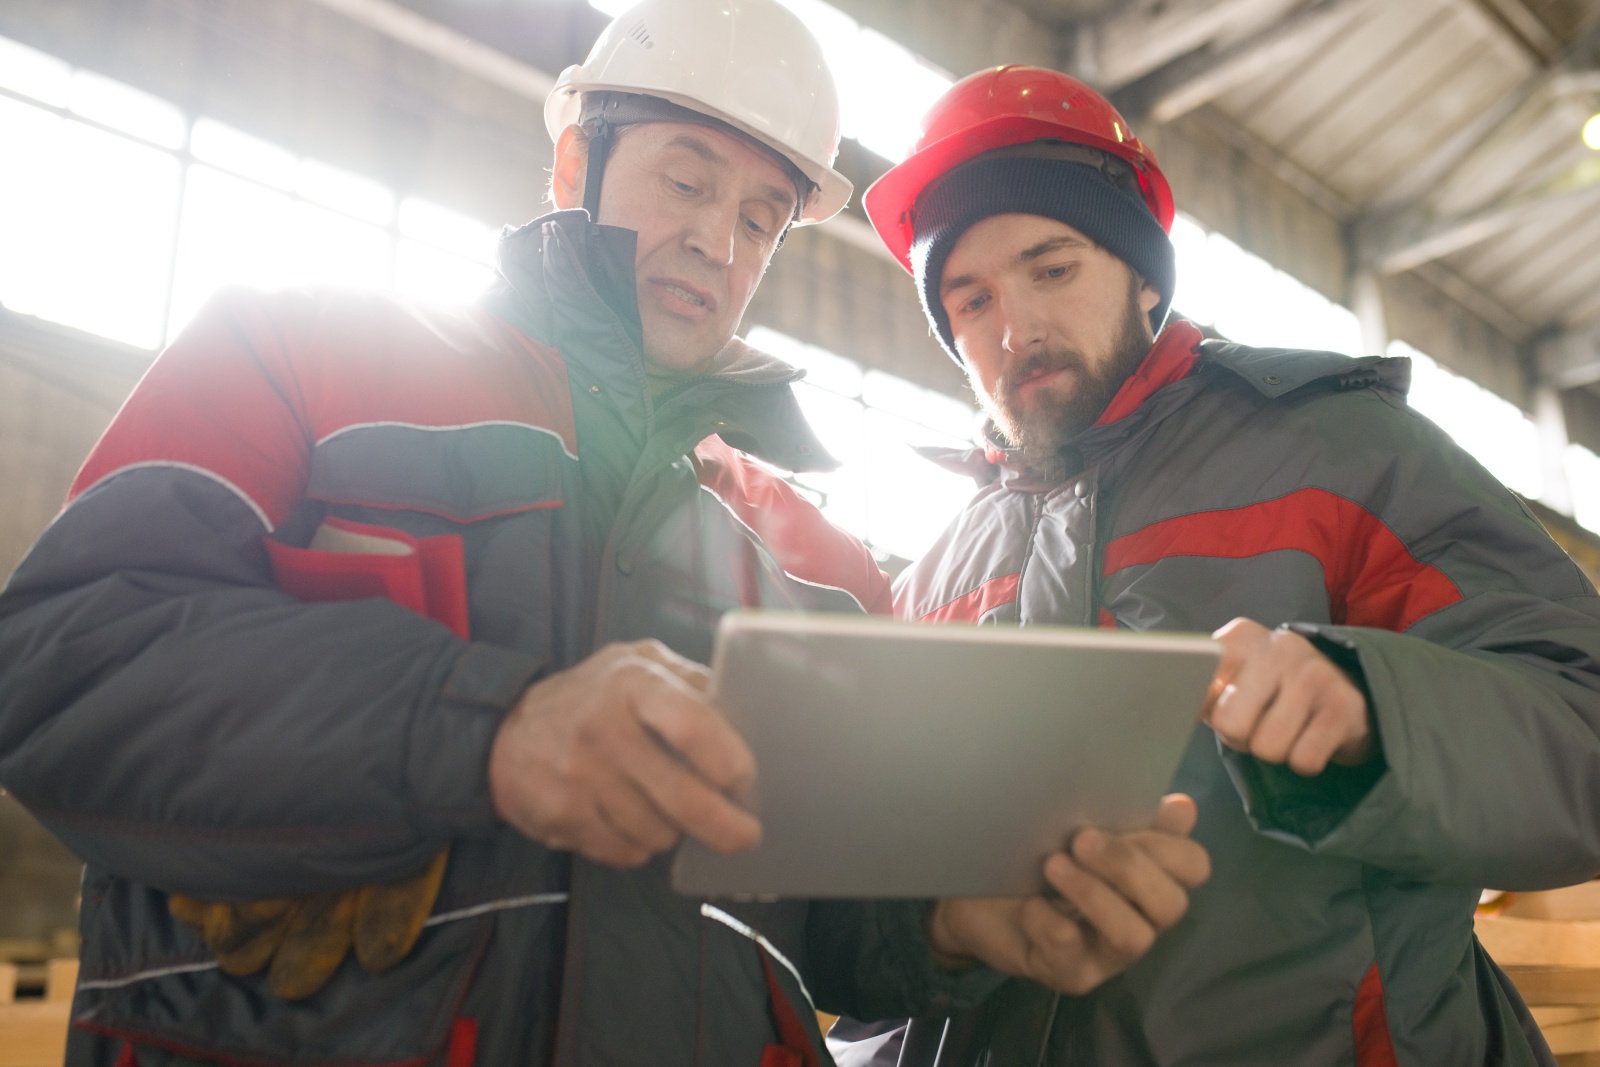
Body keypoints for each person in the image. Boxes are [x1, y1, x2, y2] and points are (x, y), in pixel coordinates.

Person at [0, 11, 1207, 1065]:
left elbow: (797, 908)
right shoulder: (299, 350)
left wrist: (945, 924)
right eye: (685, 182)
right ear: (575, 156)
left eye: (760, 217)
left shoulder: (761, 578)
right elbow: (59, 660)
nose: (719, 243)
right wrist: (487, 729)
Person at [840, 63, 1600, 1066]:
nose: (1013, 328)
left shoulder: (1342, 453)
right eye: (969, 299)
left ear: (1143, 273)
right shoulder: (936, 572)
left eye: (1051, 267)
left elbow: (1580, 723)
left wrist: (1378, 710)